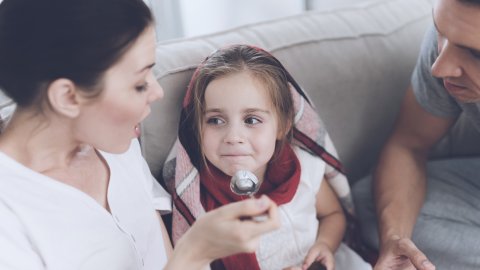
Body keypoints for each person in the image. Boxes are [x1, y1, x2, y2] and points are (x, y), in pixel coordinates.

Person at [0, 0, 281, 269]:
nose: (157, 92)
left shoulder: (115, 144)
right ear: (68, 97)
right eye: (138, 84)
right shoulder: (9, 219)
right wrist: (195, 252)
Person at [163, 44, 372, 270]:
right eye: (215, 120)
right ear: (197, 128)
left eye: (251, 120)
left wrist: (324, 244)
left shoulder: (302, 168)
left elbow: (333, 214)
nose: (233, 137)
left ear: (282, 125)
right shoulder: (198, 204)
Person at [352, 0, 480, 269]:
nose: (440, 68)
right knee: (368, 205)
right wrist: (395, 241)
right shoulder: (448, 47)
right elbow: (408, 145)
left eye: (475, 54)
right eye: (440, 33)